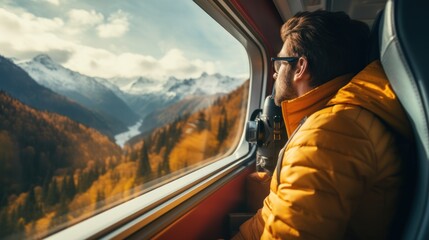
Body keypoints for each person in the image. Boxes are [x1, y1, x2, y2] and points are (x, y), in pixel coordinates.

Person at [233, 10, 412, 239]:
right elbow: (274, 212)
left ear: (300, 68)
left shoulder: (328, 132)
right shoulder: (330, 121)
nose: (275, 75)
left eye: (279, 64)